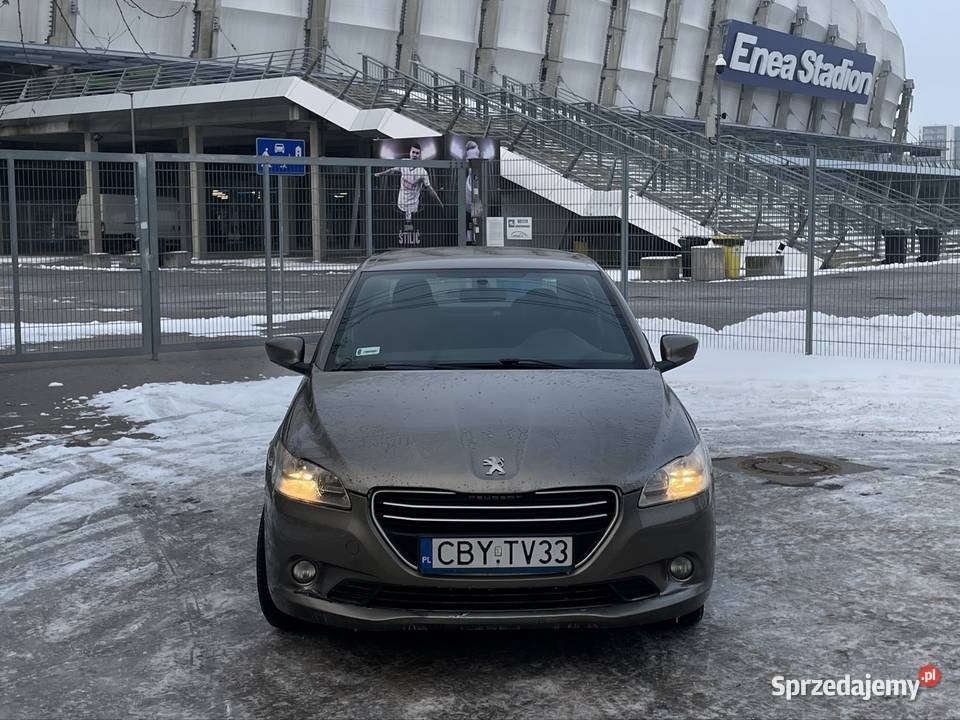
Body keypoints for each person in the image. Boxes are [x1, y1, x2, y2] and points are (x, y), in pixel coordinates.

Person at [375, 143, 443, 246]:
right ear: (410, 153)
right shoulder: (403, 163)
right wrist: (380, 174)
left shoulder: (422, 172)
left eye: (417, 153)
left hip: (413, 208)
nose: (414, 155)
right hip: (400, 206)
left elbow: (430, 188)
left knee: (412, 232)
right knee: (399, 231)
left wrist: (440, 202)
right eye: (413, 152)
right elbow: (392, 171)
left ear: (420, 155)